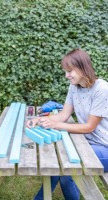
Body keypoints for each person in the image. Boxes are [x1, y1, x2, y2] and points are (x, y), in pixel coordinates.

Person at [27, 49, 108, 200]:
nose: (66, 75)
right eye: (66, 71)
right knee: (59, 162)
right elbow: (64, 114)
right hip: (88, 142)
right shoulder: (74, 86)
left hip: (105, 147)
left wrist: (55, 125)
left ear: (83, 67)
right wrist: (39, 120)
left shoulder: (102, 89)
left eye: (70, 71)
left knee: (65, 168)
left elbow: (89, 127)